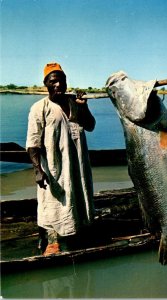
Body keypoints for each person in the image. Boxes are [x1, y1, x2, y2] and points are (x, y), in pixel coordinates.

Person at [26, 62, 96, 255]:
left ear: (66, 82)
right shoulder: (39, 108)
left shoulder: (75, 103)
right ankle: (51, 239)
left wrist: (85, 108)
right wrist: (37, 170)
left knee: (78, 199)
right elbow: (33, 144)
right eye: (53, 81)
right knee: (54, 205)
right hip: (56, 168)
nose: (58, 85)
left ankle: (77, 235)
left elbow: (90, 126)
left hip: (78, 164)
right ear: (46, 84)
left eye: (61, 81)